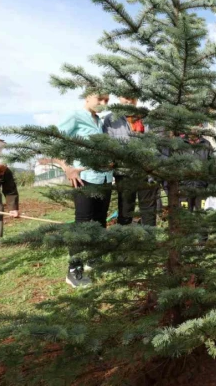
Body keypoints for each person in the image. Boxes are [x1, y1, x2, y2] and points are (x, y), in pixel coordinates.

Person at [55, 92, 114, 288]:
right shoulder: (74, 116)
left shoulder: (101, 121)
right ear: (88, 97)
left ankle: (92, 259)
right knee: (82, 224)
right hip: (85, 180)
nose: (104, 103)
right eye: (100, 99)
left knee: (99, 222)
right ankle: (74, 269)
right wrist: (67, 168)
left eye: (107, 100)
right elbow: (54, 143)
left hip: (105, 179)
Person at [103, 96, 158, 226]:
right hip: (124, 172)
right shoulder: (110, 119)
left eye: (132, 97)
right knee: (125, 210)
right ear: (119, 98)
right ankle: (125, 241)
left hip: (146, 171)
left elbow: (154, 142)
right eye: (125, 97)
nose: (129, 100)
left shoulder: (146, 117)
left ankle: (149, 241)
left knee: (148, 210)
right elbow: (108, 144)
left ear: (137, 98)